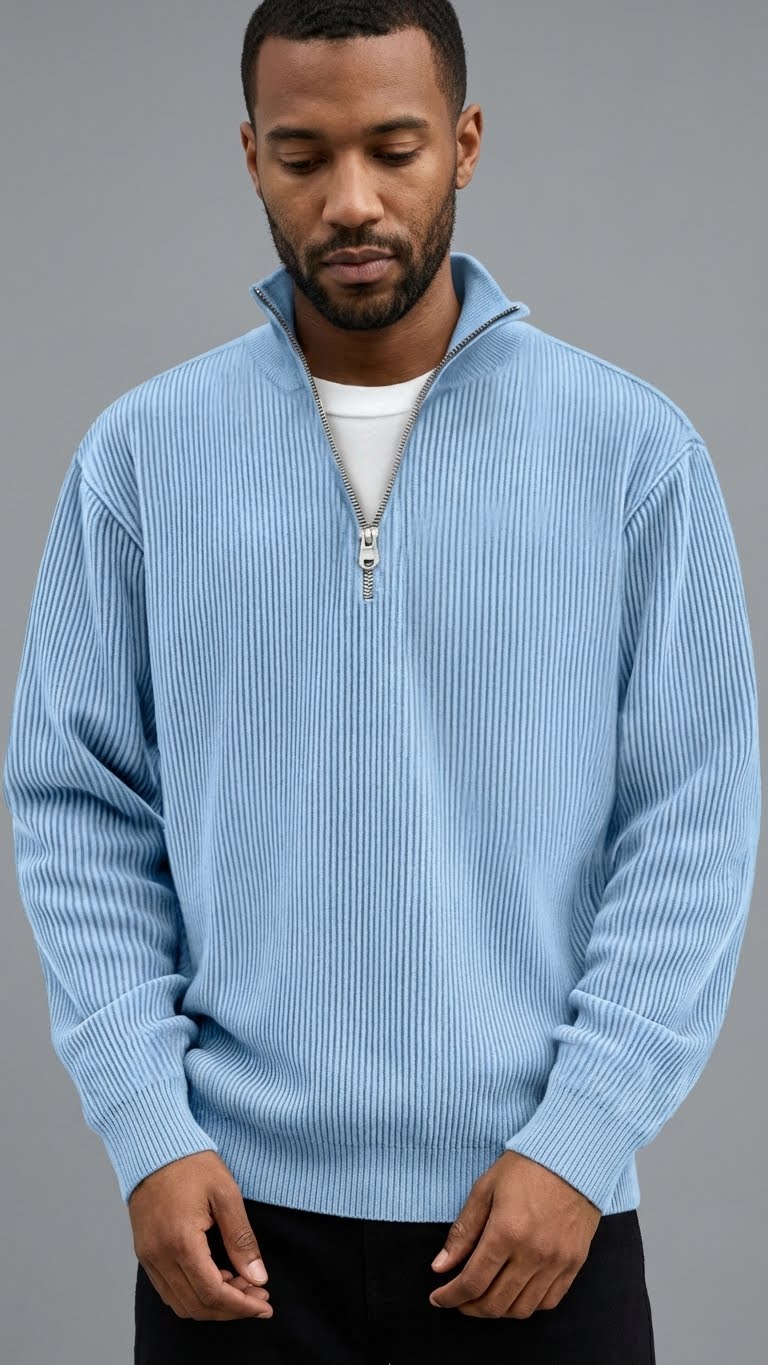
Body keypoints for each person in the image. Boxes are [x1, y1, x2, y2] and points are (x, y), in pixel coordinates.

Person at [2, 2, 760, 1362]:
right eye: (304, 157)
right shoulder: (142, 457)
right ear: (251, 156)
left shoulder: (633, 452)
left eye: (394, 150)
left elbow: (694, 823)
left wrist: (582, 1137)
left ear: (464, 144)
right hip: (231, 1228)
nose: (351, 200)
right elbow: (78, 811)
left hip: (539, 1217)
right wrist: (146, 1128)